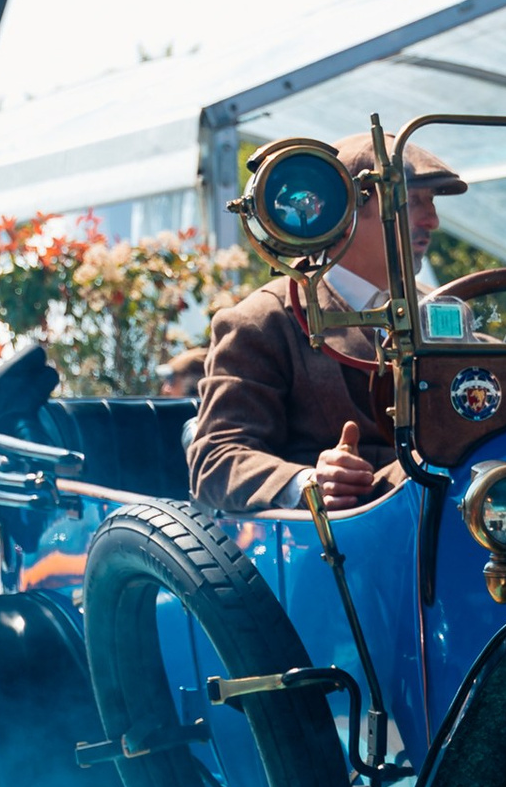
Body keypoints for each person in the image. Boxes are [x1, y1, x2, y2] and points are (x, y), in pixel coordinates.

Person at [188, 139, 467, 516]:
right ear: (344, 210)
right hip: (331, 550)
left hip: (462, 521)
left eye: (432, 202)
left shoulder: (446, 309)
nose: (431, 220)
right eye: (412, 201)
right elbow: (216, 459)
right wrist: (306, 482)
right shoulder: (265, 321)